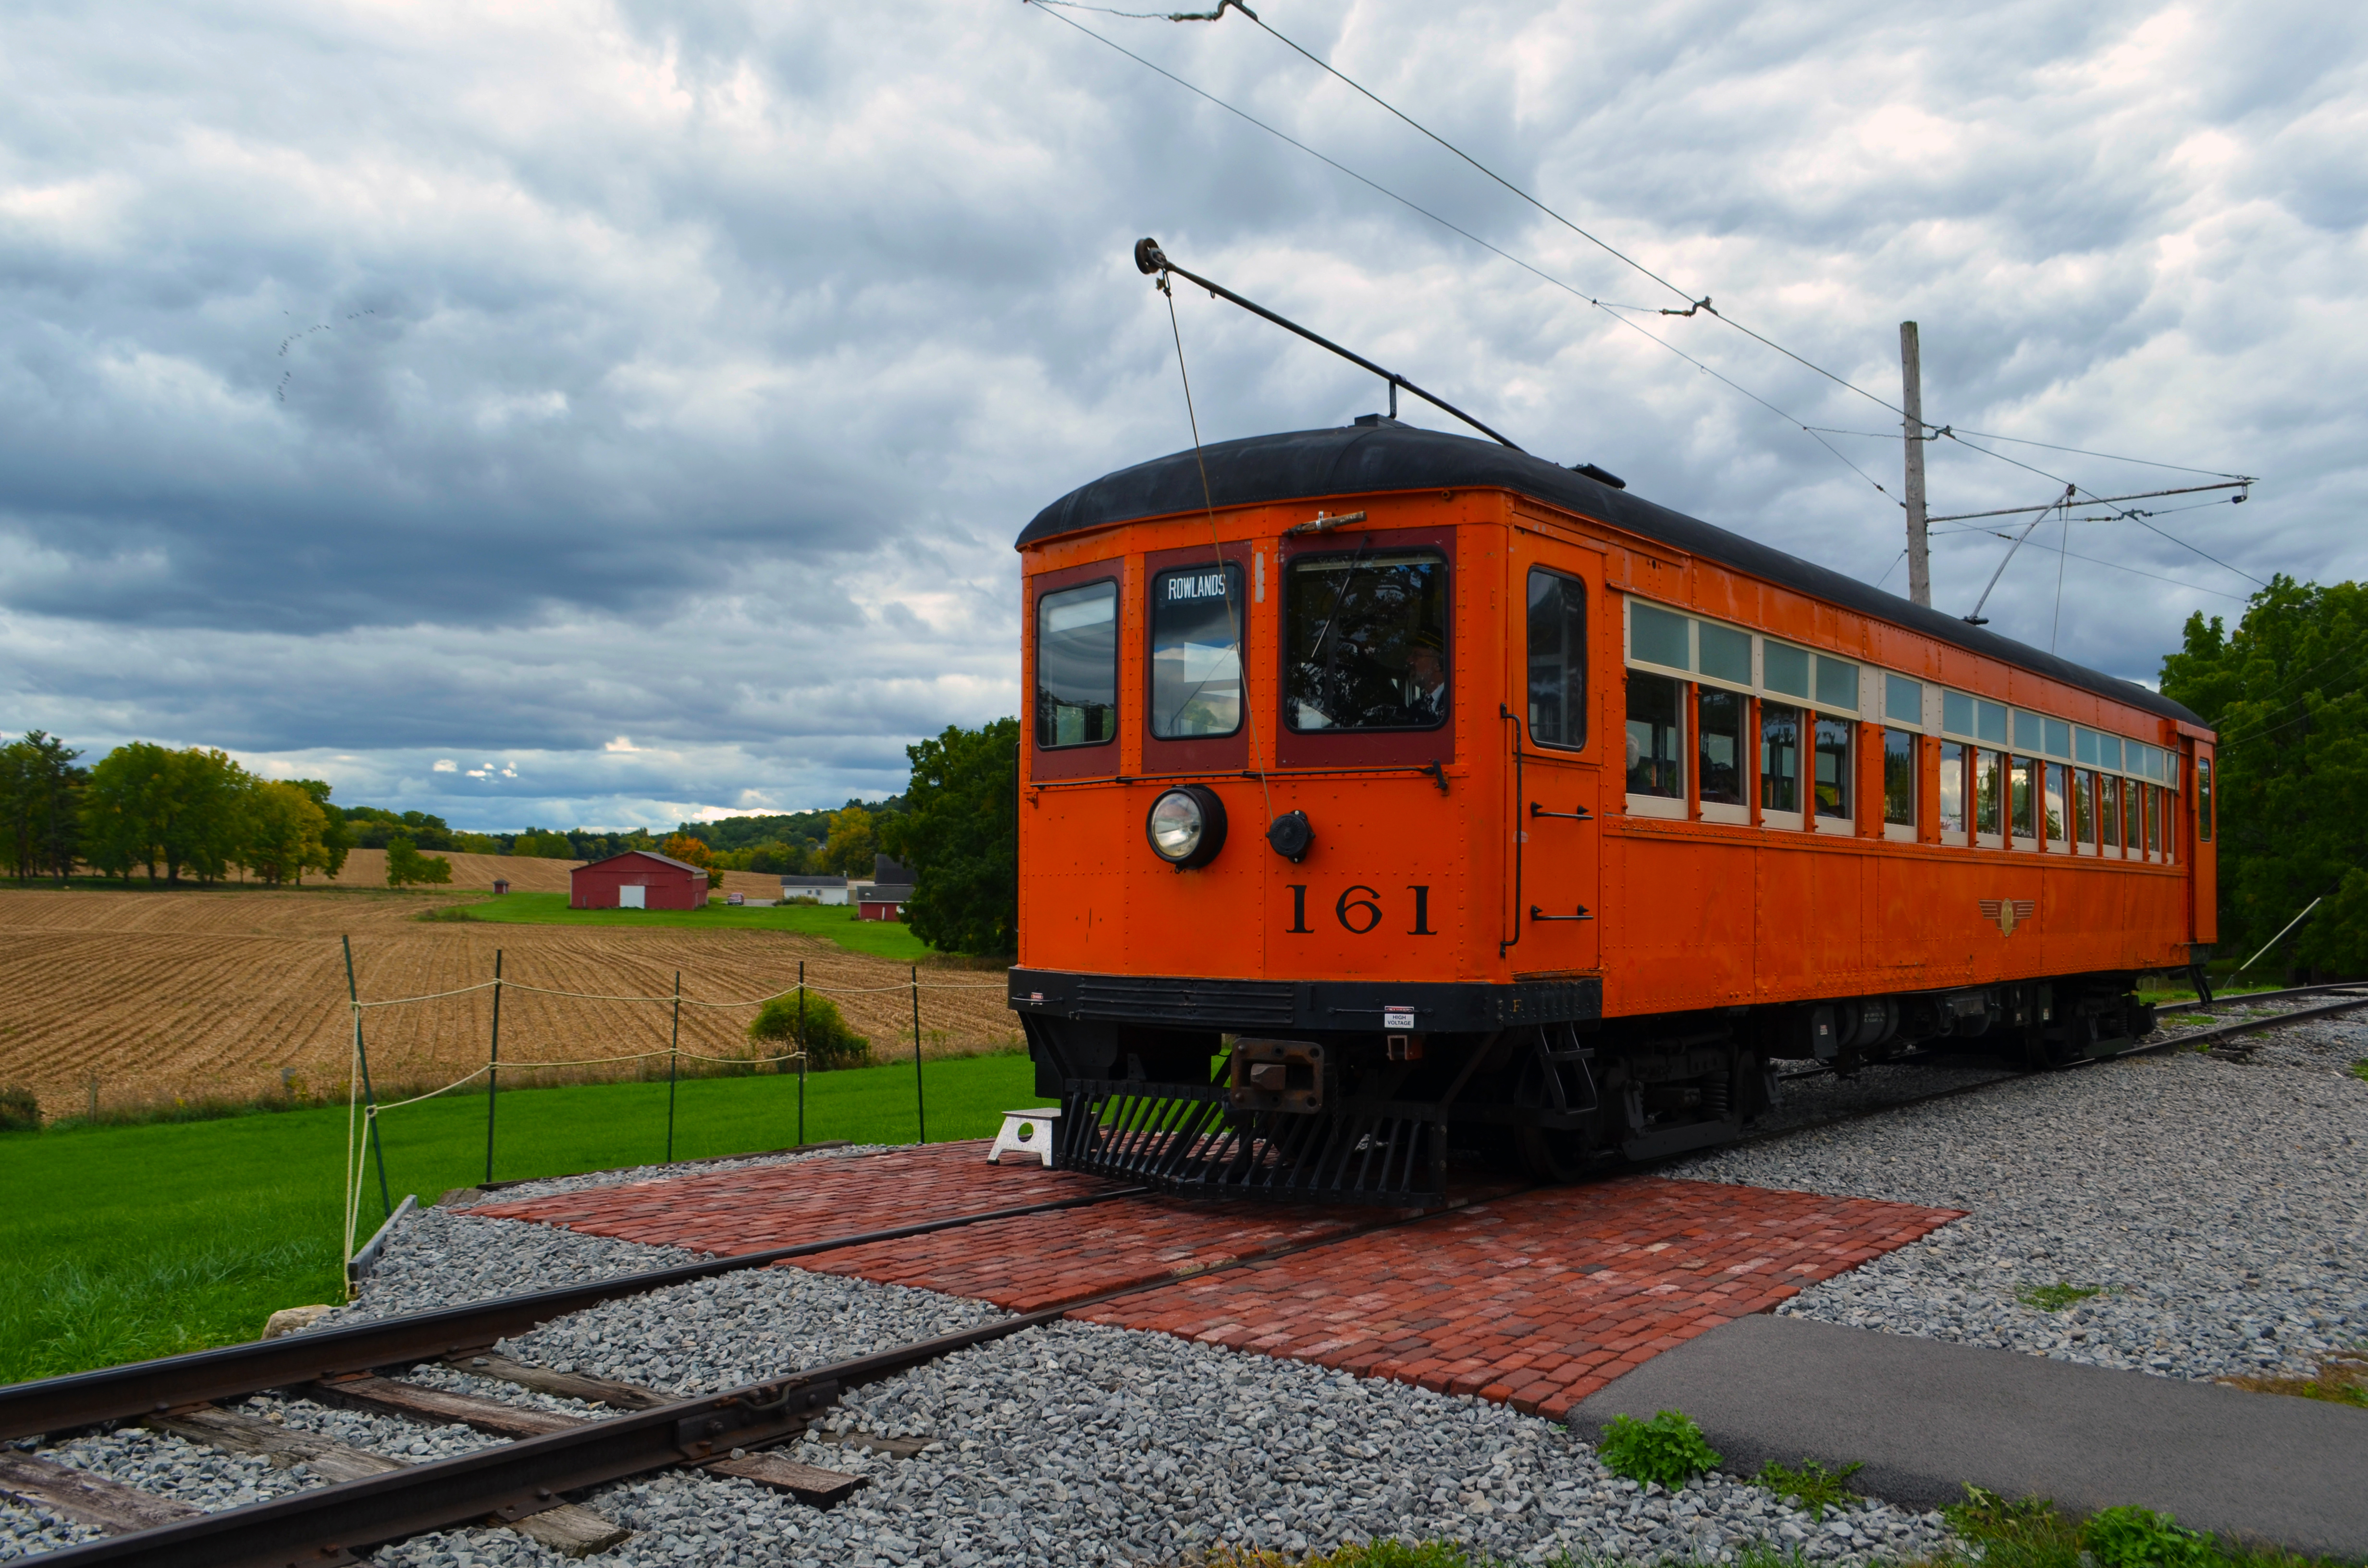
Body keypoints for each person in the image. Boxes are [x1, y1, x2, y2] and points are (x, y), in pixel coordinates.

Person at [1405, 631, 1448, 722]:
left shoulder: (1455, 703)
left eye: (1417, 655)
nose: (1409, 660)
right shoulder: (1414, 710)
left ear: (1437, 664)